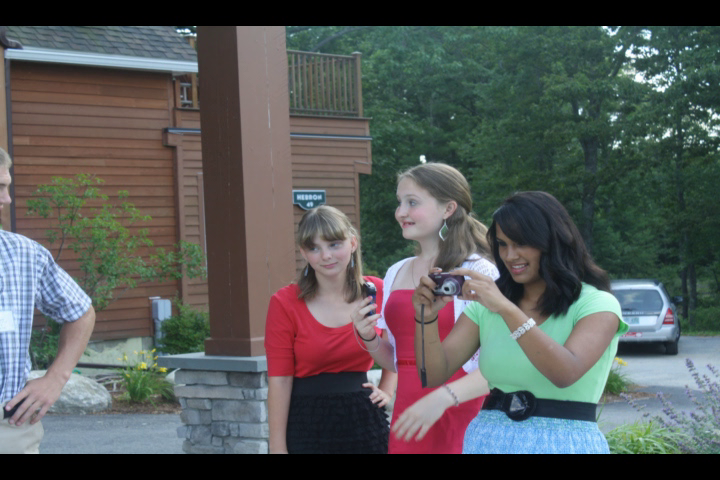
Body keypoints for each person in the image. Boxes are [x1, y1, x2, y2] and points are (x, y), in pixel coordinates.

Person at [392, 191, 629, 454]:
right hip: (488, 440)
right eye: (502, 244)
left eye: (520, 243)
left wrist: (506, 308)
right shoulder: (486, 307)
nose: (509, 255)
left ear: (553, 241)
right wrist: (426, 317)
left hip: (564, 444)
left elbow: (564, 374)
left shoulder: (597, 304)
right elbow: (433, 374)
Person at [353, 162, 499, 454]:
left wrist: (444, 398)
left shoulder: (478, 270)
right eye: (399, 203)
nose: (401, 212)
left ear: (448, 208)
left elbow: (498, 363)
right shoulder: (395, 271)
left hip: (461, 408)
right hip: (409, 412)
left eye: (412, 202)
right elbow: (399, 361)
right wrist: (368, 337)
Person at [265, 205, 396, 454]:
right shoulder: (284, 302)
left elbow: (396, 348)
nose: (326, 255)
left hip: (364, 421)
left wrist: (387, 390)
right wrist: (277, 447)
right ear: (304, 252)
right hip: (306, 424)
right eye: (314, 248)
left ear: (353, 243)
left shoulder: (377, 291)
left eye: (334, 244)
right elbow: (280, 380)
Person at [0, 147, 96, 454]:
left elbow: (80, 312)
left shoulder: (25, 255)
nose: (7, 199)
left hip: (10, 431)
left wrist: (56, 378)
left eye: (7, 187)